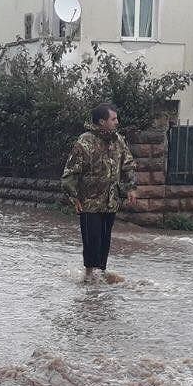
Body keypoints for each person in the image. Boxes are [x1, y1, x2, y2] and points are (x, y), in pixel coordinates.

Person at [62, 103, 136, 283]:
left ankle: (100, 275)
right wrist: (74, 197)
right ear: (102, 121)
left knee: (105, 239)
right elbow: (70, 173)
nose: (117, 122)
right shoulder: (84, 142)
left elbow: (128, 164)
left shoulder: (118, 140)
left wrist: (131, 188)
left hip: (111, 200)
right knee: (92, 239)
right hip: (89, 201)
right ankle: (89, 276)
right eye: (113, 119)